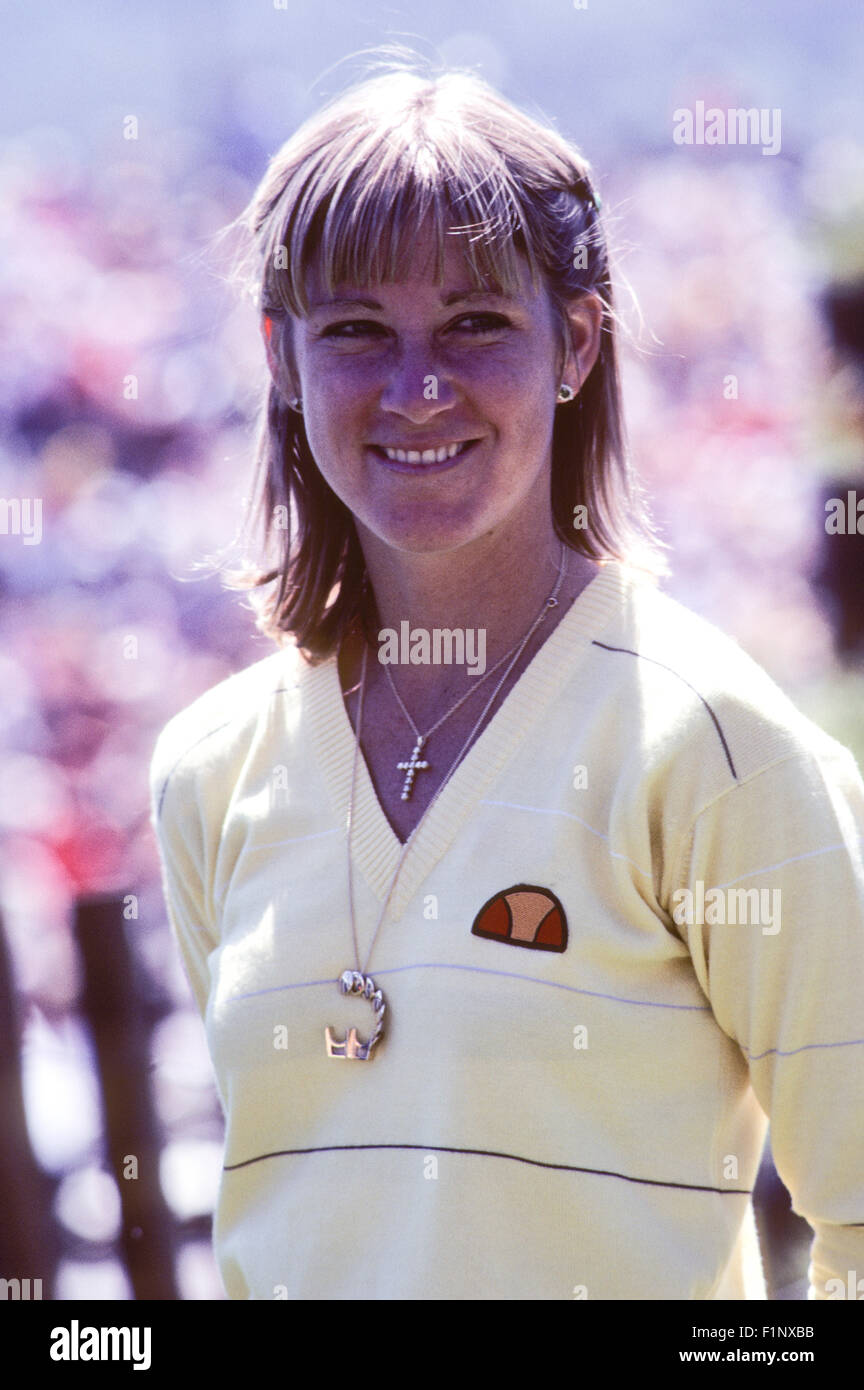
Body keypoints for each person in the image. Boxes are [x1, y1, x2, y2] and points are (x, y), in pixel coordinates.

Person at [149, 58, 864, 1301]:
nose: (418, 387)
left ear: (576, 342)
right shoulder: (212, 770)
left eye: (478, 322)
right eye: (356, 330)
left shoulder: (716, 746)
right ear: (280, 356)